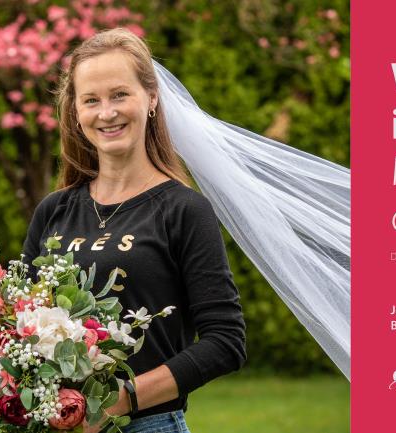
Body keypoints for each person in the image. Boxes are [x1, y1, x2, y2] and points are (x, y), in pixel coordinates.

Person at [22, 29, 246, 433]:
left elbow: (225, 342)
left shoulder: (183, 209)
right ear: (76, 111)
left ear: (152, 99)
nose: (106, 112)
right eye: (91, 100)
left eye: (120, 95)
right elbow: (18, 323)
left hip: (149, 425)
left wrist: (117, 402)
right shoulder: (53, 210)